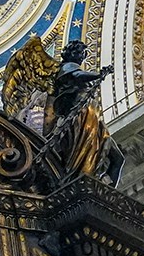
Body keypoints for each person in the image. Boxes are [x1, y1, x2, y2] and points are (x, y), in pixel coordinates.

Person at [45, 40, 124, 184]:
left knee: (117, 158)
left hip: (93, 118)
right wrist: (98, 75)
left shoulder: (74, 68)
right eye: (78, 53)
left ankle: (106, 189)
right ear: (69, 54)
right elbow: (77, 76)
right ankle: (84, 184)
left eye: (82, 53)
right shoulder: (66, 67)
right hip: (80, 118)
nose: (81, 56)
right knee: (84, 162)